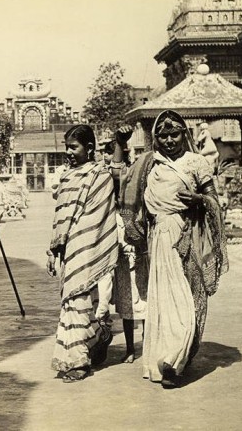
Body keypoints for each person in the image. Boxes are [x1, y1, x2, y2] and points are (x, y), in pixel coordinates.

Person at [118, 110, 228, 388]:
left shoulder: (196, 163)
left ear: (185, 134)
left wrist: (198, 200)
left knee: (187, 298)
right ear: (155, 138)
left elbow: (214, 201)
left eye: (175, 134)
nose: (169, 140)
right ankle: (167, 360)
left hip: (188, 236)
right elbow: (128, 189)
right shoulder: (150, 166)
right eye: (163, 135)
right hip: (159, 240)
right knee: (165, 301)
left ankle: (179, 359)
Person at [46, 125, 119, 383]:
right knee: (71, 301)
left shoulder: (100, 176)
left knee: (77, 298)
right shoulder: (67, 177)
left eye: (73, 147)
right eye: (66, 146)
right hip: (68, 248)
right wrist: (54, 250)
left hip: (87, 243)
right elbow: (61, 215)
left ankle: (79, 361)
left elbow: (100, 214)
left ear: (89, 149)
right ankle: (98, 336)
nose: (68, 152)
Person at [111, 125, 148, 364]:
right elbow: (116, 171)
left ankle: (148, 344)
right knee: (127, 304)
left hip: (143, 247)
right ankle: (129, 349)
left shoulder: (146, 181)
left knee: (146, 301)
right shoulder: (122, 180)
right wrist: (119, 141)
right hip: (124, 250)